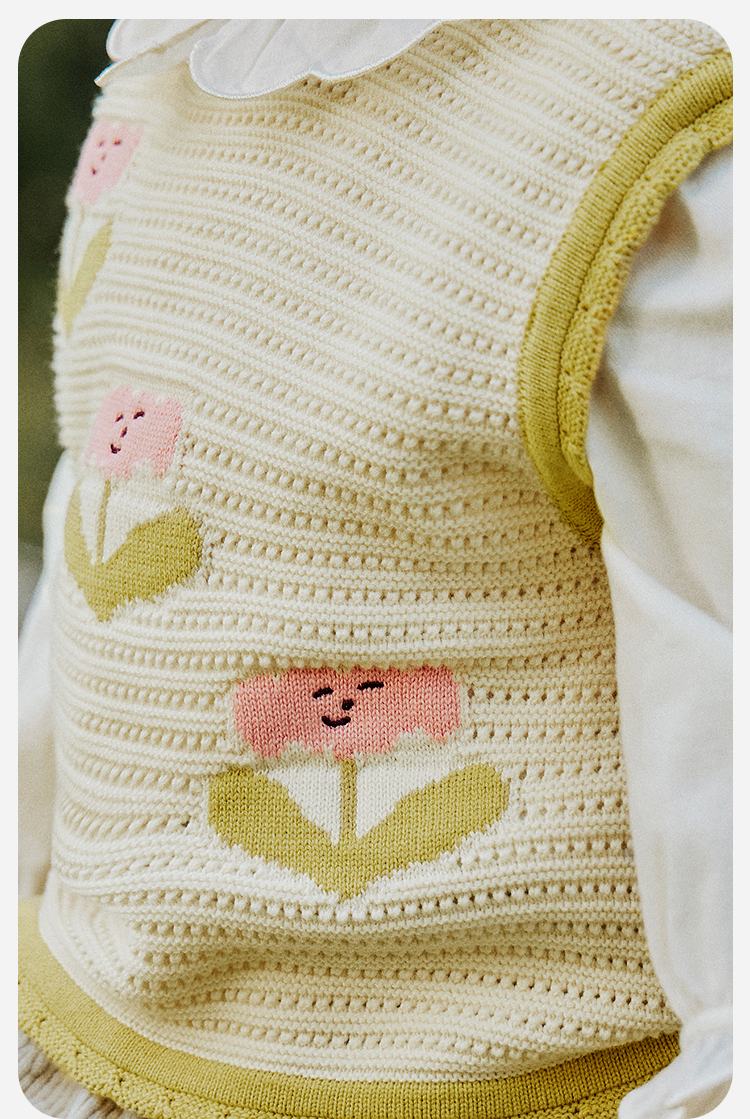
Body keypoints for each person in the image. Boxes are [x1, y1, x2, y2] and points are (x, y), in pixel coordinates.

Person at [19, 19, 732, 1119]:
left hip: (497, 1074)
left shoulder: (647, 120)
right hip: (95, 1027)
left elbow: (717, 662)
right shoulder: (169, 71)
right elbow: (102, 545)